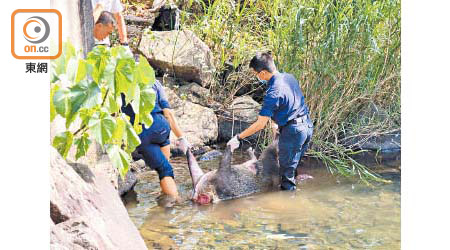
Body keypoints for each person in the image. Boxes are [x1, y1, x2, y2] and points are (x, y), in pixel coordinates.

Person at [227, 52, 314, 191]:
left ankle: (289, 205)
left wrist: (238, 137)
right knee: (291, 167)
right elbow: (292, 103)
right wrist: (278, 123)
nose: (256, 77)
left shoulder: (273, 92)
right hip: (307, 127)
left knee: (286, 178)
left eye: (255, 73)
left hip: (293, 132)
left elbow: (260, 124)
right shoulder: (289, 77)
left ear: (262, 73)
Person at [121, 80, 190, 199]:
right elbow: (167, 113)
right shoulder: (153, 81)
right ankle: (165, 190)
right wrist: (181, 137)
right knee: (165, 163)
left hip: (142, 132)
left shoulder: (118, 82)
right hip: (161, 127)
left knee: (164, 169)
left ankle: (174, 202)